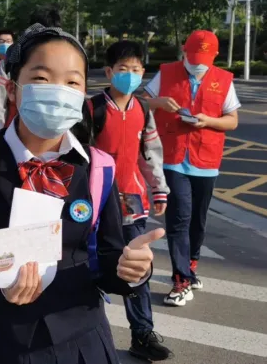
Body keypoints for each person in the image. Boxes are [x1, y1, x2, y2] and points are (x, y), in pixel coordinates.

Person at [0, 24, 164, 364]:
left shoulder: (98, 167)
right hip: (5, 339)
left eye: (72, 82)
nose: (58, 90)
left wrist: (132, 270)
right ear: (14, 89)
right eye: (41, 78)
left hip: (84, 339)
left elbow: (108, 258)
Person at [86, 40, 173, 361]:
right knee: (90, 266)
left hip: (134, 201)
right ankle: (86, 330)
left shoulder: (142, 109)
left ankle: (142, 333)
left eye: (136, 70)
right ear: (109, 72)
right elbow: (80, 157)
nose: (130, 75)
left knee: (138, 268)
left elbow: (150, 153)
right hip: (96, 204)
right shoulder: (92, 109)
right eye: (123, 69)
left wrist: (159, 189)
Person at [143, 30, 240, 307]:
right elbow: (140, 103)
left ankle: (191, 265)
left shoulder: (223, 79)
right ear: (184, 51)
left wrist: (208, 120)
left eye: (204, 58)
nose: (198, 63)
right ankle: (180, 280)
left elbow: (232, 120)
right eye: (193, 56)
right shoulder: (166, 73)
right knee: (179, 220)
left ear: (214, 56)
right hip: (173, 158)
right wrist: (158, 103)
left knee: (197, 220)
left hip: (206, 160)